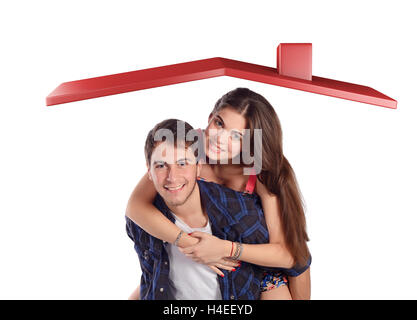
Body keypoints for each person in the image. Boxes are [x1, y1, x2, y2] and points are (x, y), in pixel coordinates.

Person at [126, 88, 311, 300]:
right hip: (195, 263)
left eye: (236, 136)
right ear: (210, 117)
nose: (219, 139)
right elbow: (135, 206)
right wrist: (191, 245)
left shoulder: (260, 171)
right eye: (219, 124)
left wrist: (224, 249)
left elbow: (289, 255)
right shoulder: (189, 144)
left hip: (254, 265)